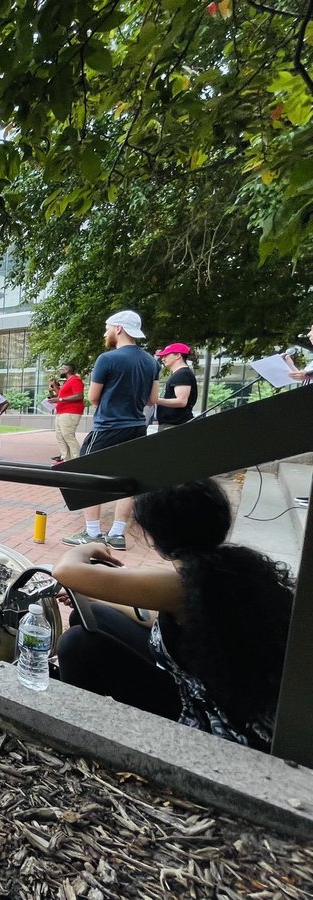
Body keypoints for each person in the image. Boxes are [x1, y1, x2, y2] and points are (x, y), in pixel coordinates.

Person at [54, 480, 292, 752]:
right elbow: (163, 620)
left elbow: (66, 571)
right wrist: (95, 599)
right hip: (224, 691)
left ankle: (74, 739)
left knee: (76, 643)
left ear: (156, 534)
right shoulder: (232, 567)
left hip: (211, 720)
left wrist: (88, 547)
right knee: (92, 614)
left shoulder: (183, 585)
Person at [63, 311, 159, 551]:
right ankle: (117, 534)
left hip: (107, 427)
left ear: (118, 329)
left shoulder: (107, 359)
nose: (105, 333)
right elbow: (152, 399)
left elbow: (93, 398)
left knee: (86, 476)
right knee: (127, 481)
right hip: (137, 428)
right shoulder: (151, 362)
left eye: (107, 328)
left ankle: (92, 533)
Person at [154, 342, 198, 430]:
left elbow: (181, 401)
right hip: (171, 424)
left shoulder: (182, 374)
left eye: (166, 355)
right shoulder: (179, 373)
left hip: (175, 425)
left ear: (178, 355)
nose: (162, 359)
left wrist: (156, 400)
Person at [54, 363, 85, 462]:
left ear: (68, 370)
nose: (60, 370)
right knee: (60, 436)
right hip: (61, 412)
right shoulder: (67, 381)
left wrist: (60, 400)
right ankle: (66, 459)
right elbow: (60, 395)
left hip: (70, 412)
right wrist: (55, 386)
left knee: (68, 435)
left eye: (62, 369)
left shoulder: (75, 380)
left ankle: (77, 460)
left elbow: (79, 396)